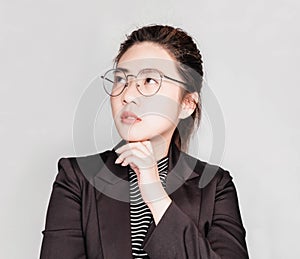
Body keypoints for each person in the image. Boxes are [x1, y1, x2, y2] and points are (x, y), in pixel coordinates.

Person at [40, 25, 249, 259]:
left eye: (149, 80)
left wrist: (156, 196)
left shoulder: (215, 186)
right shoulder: (77, 179)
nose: (127, 95)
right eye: (121, 79)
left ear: (187, 103)